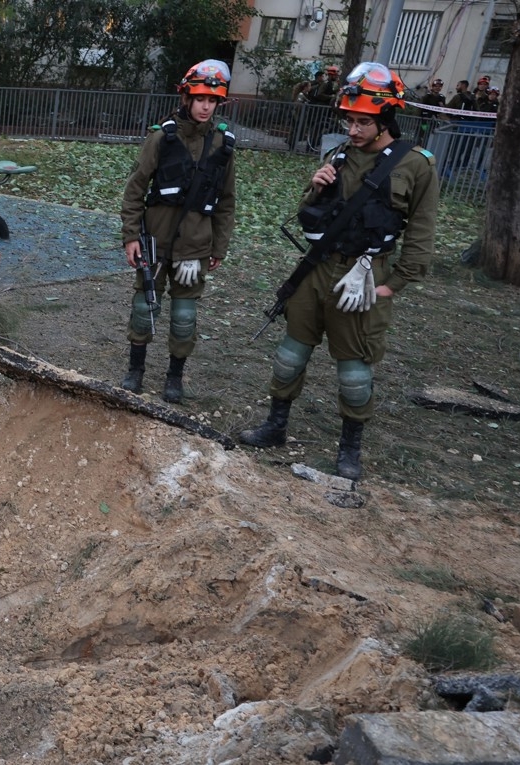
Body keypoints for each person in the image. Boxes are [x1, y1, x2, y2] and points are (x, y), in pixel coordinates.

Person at [238, 62, 439, 481]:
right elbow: (306, 215)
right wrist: (315, 185)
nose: (352, 129)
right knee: (290, 354)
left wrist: (391, 287)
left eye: (362, 121)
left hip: (367, 273)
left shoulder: (416, 165)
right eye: (348, 120)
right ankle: (275, 425)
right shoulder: (339, 154)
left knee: (353, 369)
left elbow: (421, 233)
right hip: (319, 269)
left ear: (385, 119)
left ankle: (350, 448)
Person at [119, 59, 237, 403]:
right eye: (200, 98)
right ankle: (135, 371)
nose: (205, 106)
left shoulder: (223, 145)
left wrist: (219, 248)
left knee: (184, 316)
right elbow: (135, 189)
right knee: (144, 308)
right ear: (186, 97)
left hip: (196, 247)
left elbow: (227, 202)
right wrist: (130, 236)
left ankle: (174, 377)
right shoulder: (161, 138)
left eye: (212, 100)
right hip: (154, 242)